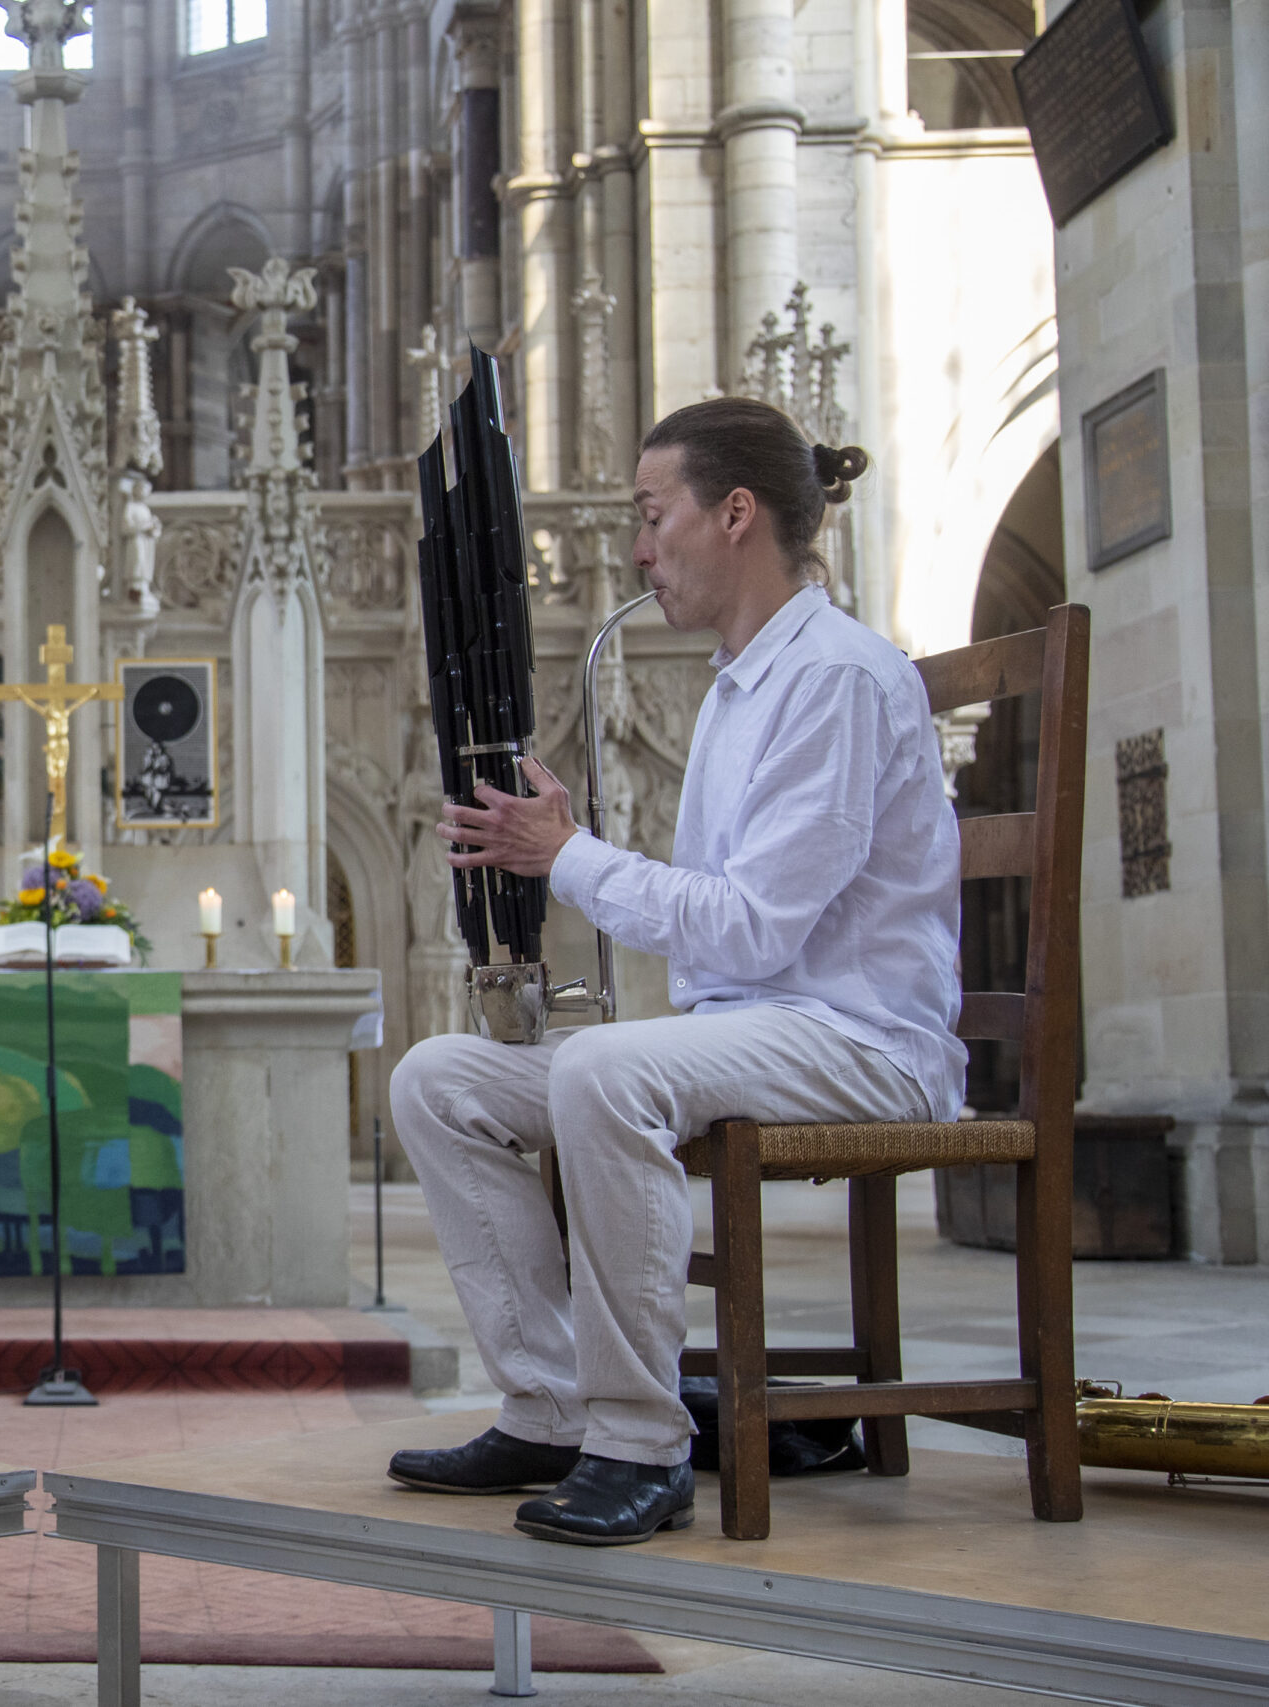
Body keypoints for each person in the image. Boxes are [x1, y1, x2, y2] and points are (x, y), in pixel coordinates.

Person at [385, 400, 961, 1546]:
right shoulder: (740, 686)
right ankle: (549, 1403)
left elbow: (750, 931)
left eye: (654, 516)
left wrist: (575, 857)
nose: (639, 551)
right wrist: (569, 851)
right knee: (436, 1078)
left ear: (734, 514)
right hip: (762, 1029)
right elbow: (731, 941)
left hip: (860, 1045)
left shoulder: (836, 678)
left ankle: (642, 1443)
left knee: (603, 1069)